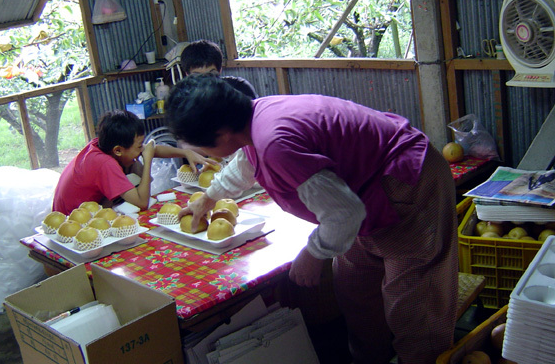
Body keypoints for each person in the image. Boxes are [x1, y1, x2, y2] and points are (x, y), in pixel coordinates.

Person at [165, 74, 459, 364]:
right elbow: (246, 161)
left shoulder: (276, 141)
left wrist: (312, 253)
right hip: (360, 188)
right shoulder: (251, 120)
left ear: (221, 135)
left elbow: (345, 213)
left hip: (405, 180)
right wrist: (208, 198)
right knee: (354, 289)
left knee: (413, 303)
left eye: (199, 146)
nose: (201, 153)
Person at [53, 109, 214, 215]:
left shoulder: (103, 145)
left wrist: (186, 152)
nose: (141, 150)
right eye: (138, 146)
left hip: (82, 205)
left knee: (133, 165)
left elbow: (151, 149)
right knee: (136, 177)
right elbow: (142, 203)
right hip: (72, 218)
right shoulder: (105, 164)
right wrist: (148, 160)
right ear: (118, 150)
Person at [180, 39, 258, 99]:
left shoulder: (239, 89)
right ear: (187, 74)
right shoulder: (183, 99)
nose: (205, 81)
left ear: (220, 70)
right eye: (198, 76)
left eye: (211, 74)